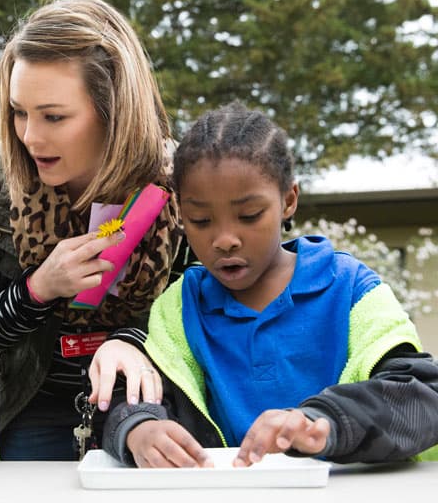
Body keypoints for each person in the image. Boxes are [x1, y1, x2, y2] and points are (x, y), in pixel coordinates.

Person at [98, 102, 438, 468]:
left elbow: (422, 398)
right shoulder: (181, 308)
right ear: (180, 212)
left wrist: (323, 422)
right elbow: (132, 398)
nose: (225, 239)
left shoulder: (353, 289)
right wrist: (139, 428)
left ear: (289, 200)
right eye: (201, 220)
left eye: (249, 216)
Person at [0, 0, 189, 461]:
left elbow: (205, 315)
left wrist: (133, 342)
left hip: (151, 405)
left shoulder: (184, 186)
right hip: (31, 407)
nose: (30, 136)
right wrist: (36, 291)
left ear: (113, 107)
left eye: (54, 116)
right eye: (19, 112)